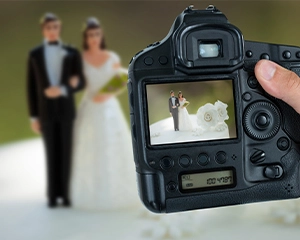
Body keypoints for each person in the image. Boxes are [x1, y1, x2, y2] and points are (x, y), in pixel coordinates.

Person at [70, 17, 138, 210]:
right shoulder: (80, 59)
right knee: (91, 145)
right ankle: (93, 190)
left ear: (101, 36)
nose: (94, 38)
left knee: (111, 142)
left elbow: (121, 78)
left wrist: (108, 92)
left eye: (97, 34)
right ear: (86, 37)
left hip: (108, 107)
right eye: (90, 35)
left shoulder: (111, 58)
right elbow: (77, 81)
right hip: (91, 105)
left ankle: (116, 189)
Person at [26, 13, 85, 208]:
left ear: (59, 28)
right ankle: (52, 194)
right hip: (45, 112)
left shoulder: (71, 51)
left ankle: (66, 194)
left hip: (66, 110)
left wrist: (63, 89)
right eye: (48, 28)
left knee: (66, 152)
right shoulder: (35, 54)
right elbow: (31, 87)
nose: (52, 31)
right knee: (51, 153)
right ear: (43, 30)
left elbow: (80, 82)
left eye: (55, 27)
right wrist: (34, 116)